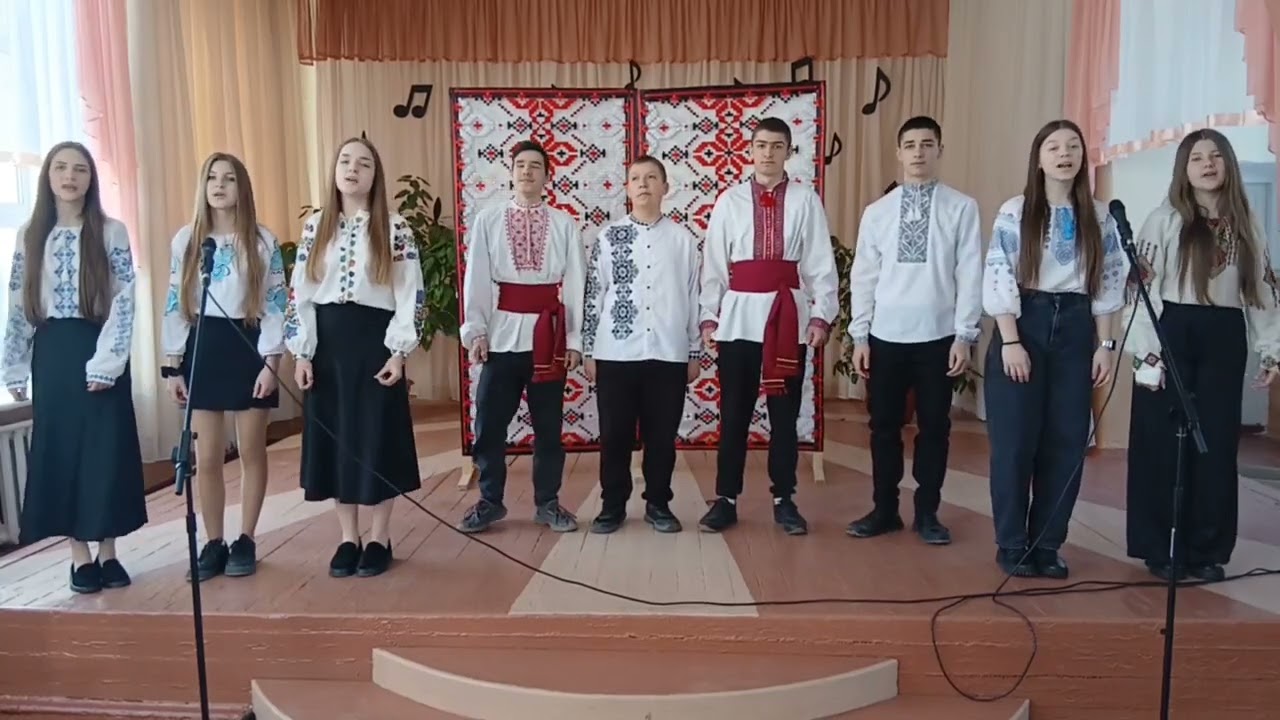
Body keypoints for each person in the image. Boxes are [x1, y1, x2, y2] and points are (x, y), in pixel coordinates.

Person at [1125, 129, 1280, 583]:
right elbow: (1142, 290)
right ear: (1184, 169)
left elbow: (1263, 292)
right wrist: (1146, 352)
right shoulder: (1164, 219)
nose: (1208, 164)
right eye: (1197, 158)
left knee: (1215, 444)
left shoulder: (1247, 224)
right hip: (1171, 329)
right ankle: (1160, 547)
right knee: (1160, 441)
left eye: (1216, 156)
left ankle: (1206, 549)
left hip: (1224, 334)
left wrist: (1271, 350)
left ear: (1228, 164)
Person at [982, 119, 1127, 579]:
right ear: (1039, 159)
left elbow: (1109, 283)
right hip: (1025, 321)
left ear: (1083, 157)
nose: (1064, 154)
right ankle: (1012, 543)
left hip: (1077, 327)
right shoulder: (1017, 210)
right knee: (1014, 443)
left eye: (1073, 147)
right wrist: (1010, 340)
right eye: (1054, 147)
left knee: (1066, 441)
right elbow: (999, 273)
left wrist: (1105, 345)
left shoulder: (1099, 217)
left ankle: (1047, 543)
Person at [1, 141, 146, 594]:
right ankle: (79, 556)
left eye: (79, 169)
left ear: (90, 178)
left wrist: (107, 363)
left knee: (105, 451)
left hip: (100, 345)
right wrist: (14, 366)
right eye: (61, 168)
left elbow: (124, 300)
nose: (70, 177)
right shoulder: (30, 235)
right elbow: (18, 302)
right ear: (48, 176)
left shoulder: (111, 231)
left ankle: (108, 552)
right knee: (63, 451)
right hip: (53, 354)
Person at [285, 136, 424, 578]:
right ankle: (349, 537)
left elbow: (410, 292)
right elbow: (300, 294)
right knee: (336, 439)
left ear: (375, 175)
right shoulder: (316, 227)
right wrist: (302, 352)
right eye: (345, 161)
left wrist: (398, 352)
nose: (352, 169)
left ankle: (380, 536)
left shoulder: (395, 227)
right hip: (328, 344)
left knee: (376, 438)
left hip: (374, 342)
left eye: (363, 163)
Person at [697, 116, 839, 535]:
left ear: (789, 151)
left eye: (777, 146)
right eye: (761, 145)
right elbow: (714, 262)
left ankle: (784, 499)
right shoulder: (730, 200)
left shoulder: (806, 200)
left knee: (784, 412)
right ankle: (726, 498)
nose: (768, 153)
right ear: (751, 149)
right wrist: (710, 315)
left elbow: (819, 261)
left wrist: (820, 315)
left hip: (786, 317)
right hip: (739, 318)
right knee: (734, 412)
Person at [846, 115, 982, 545]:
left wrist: (964, 334)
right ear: (899, 153)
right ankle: (884, 510)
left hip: (938, 337)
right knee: (883, 427)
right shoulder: (878, 212)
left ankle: (928, 513)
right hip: (886, 336)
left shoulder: (961, 207)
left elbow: (970, 272)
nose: (918, 152)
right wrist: (860, 335)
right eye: (910, 145)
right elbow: (863, 276)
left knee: (935, 428)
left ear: (939, 149)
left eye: (927, 144)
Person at [161, 152, 287, 582]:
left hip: (248, 343)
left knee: (251, 450)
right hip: (204, 347)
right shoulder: (187, 241)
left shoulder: (262, 241)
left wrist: (271, 362)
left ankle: (246, 538)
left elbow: (276, 304)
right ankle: (213, 541)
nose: (219, 185)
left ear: (241, 187)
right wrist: (173, 365)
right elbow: (175, 302)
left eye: (228, 178)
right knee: (208, 455)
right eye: (212, 178)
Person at [457, 139, 585, 534]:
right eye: (521, 165)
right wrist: (476, 330)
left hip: (548, 339)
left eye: (535, 166)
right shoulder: (489, 220)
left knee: (548, 428)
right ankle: (489, 500)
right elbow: (477, 278)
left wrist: (574, 340)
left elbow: (576, 283)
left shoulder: (564, 223)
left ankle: (548, 503)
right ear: (511, 173)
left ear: (547, 176)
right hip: (502, 336)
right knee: (490, 424)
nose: (527, 172)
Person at [582, 156, 700, 534]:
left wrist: (694, 351)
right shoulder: (608, 237)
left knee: (662, 436)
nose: (644, 184)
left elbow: (694, 299)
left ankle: (658, 503)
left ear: (666, 187)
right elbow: (594, 295)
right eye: (636, 178)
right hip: (615, 353)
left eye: (651, 177)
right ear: (628, 188)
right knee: (614, 435)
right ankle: (612, 505)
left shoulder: (683, 240)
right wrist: (589, 350)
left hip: (668, 353)